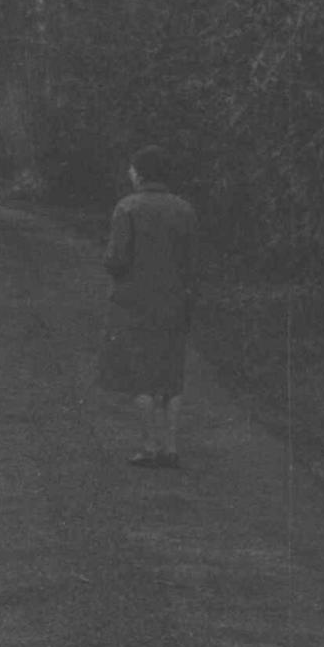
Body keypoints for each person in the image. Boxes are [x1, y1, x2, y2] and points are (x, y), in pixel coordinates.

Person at [95, 145, 198, 467]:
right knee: (170, 372)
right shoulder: (184, 209)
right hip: (174, 300)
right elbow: (192, 262)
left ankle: (149, 446)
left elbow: (116, 259)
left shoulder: (127, 208)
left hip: (134, 302)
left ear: (139, 173)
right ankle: (171, 446)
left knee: (140, 375)